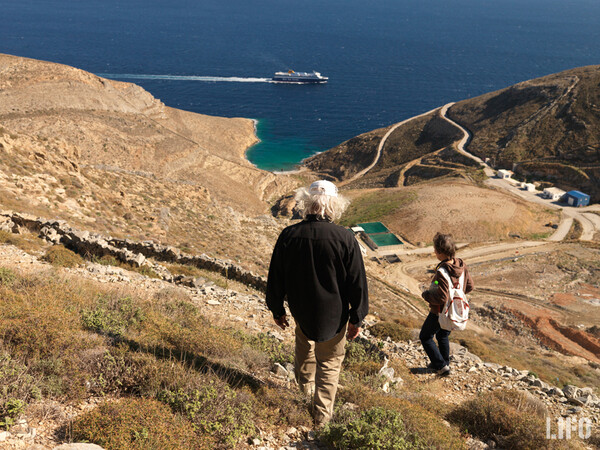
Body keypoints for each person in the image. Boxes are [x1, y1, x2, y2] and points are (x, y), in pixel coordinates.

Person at [266, 180, 368, 427]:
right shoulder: (345, 238)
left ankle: (304, 393)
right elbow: (357, 282)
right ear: (334, 205)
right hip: (334, 316)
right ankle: (321, 419)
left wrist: (277, 309)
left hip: (301, 309)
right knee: (330, 364)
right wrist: (357, 317)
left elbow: (276, 276)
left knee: (304, 347)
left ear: (306, 203)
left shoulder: (289, 235)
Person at [420, 232, 473, 376]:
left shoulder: (441, 272)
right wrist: (456, 295)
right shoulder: (461, 266)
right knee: (443, 335)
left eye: (435, 249)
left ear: (441, 252)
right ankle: (444, 364)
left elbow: (441, 298)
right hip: (454, 311)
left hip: (439, 312)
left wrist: (426, 295)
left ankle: (441, 366)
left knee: (425, 336)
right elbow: (469, 287)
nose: (434, 252)